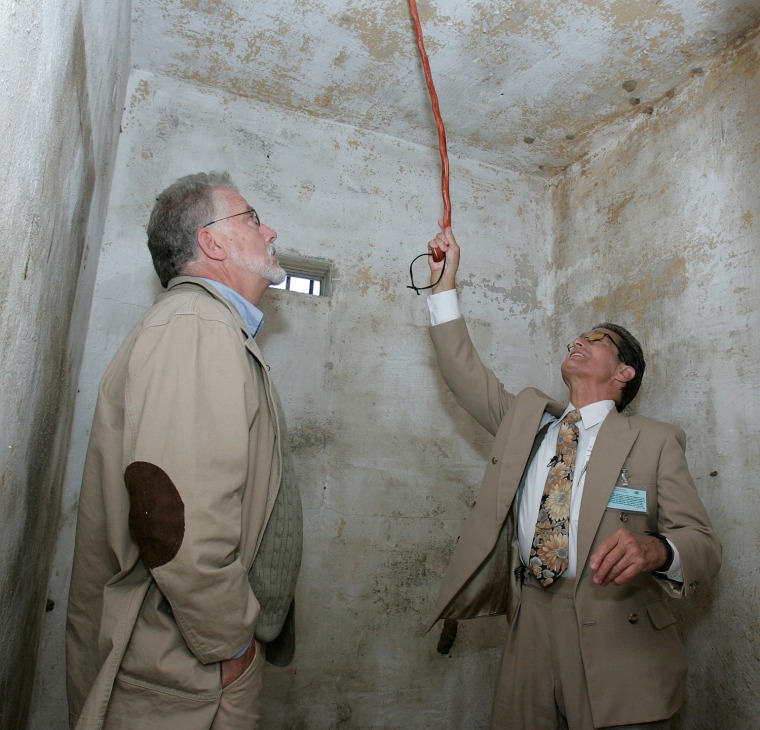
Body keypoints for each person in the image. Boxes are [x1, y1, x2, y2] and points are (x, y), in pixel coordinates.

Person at [423, 226, 721, 729]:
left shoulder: (655, 439)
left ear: (625, 373)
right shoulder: (526, 421)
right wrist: (444, 284)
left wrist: (659, 551)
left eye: (596, 339)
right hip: (531, 621)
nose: (578, 340)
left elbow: (705, 546)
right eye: (575, 337)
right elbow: (462, 369)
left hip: (619, 636)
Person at [66, 172, 303, 730]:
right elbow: (177, 522)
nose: (270, 231)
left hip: (187, 664)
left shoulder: (208, 326)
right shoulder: (195, 325)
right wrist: (230, 647)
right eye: (251, 218)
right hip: (184, 675)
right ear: (213, 243)